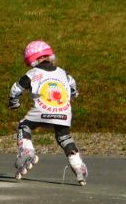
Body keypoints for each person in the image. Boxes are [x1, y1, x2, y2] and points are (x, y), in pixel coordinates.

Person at [10, 40, 87, 184]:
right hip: (64, 113)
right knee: (64, 137)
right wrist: (74, 93)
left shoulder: (32, 73)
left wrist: (14, 102)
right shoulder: (63, 73)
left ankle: (27, 150)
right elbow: (73, 86)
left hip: (41, 111)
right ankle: (78, 166)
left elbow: (16, 88)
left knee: (24, 126)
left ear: (31, 59)